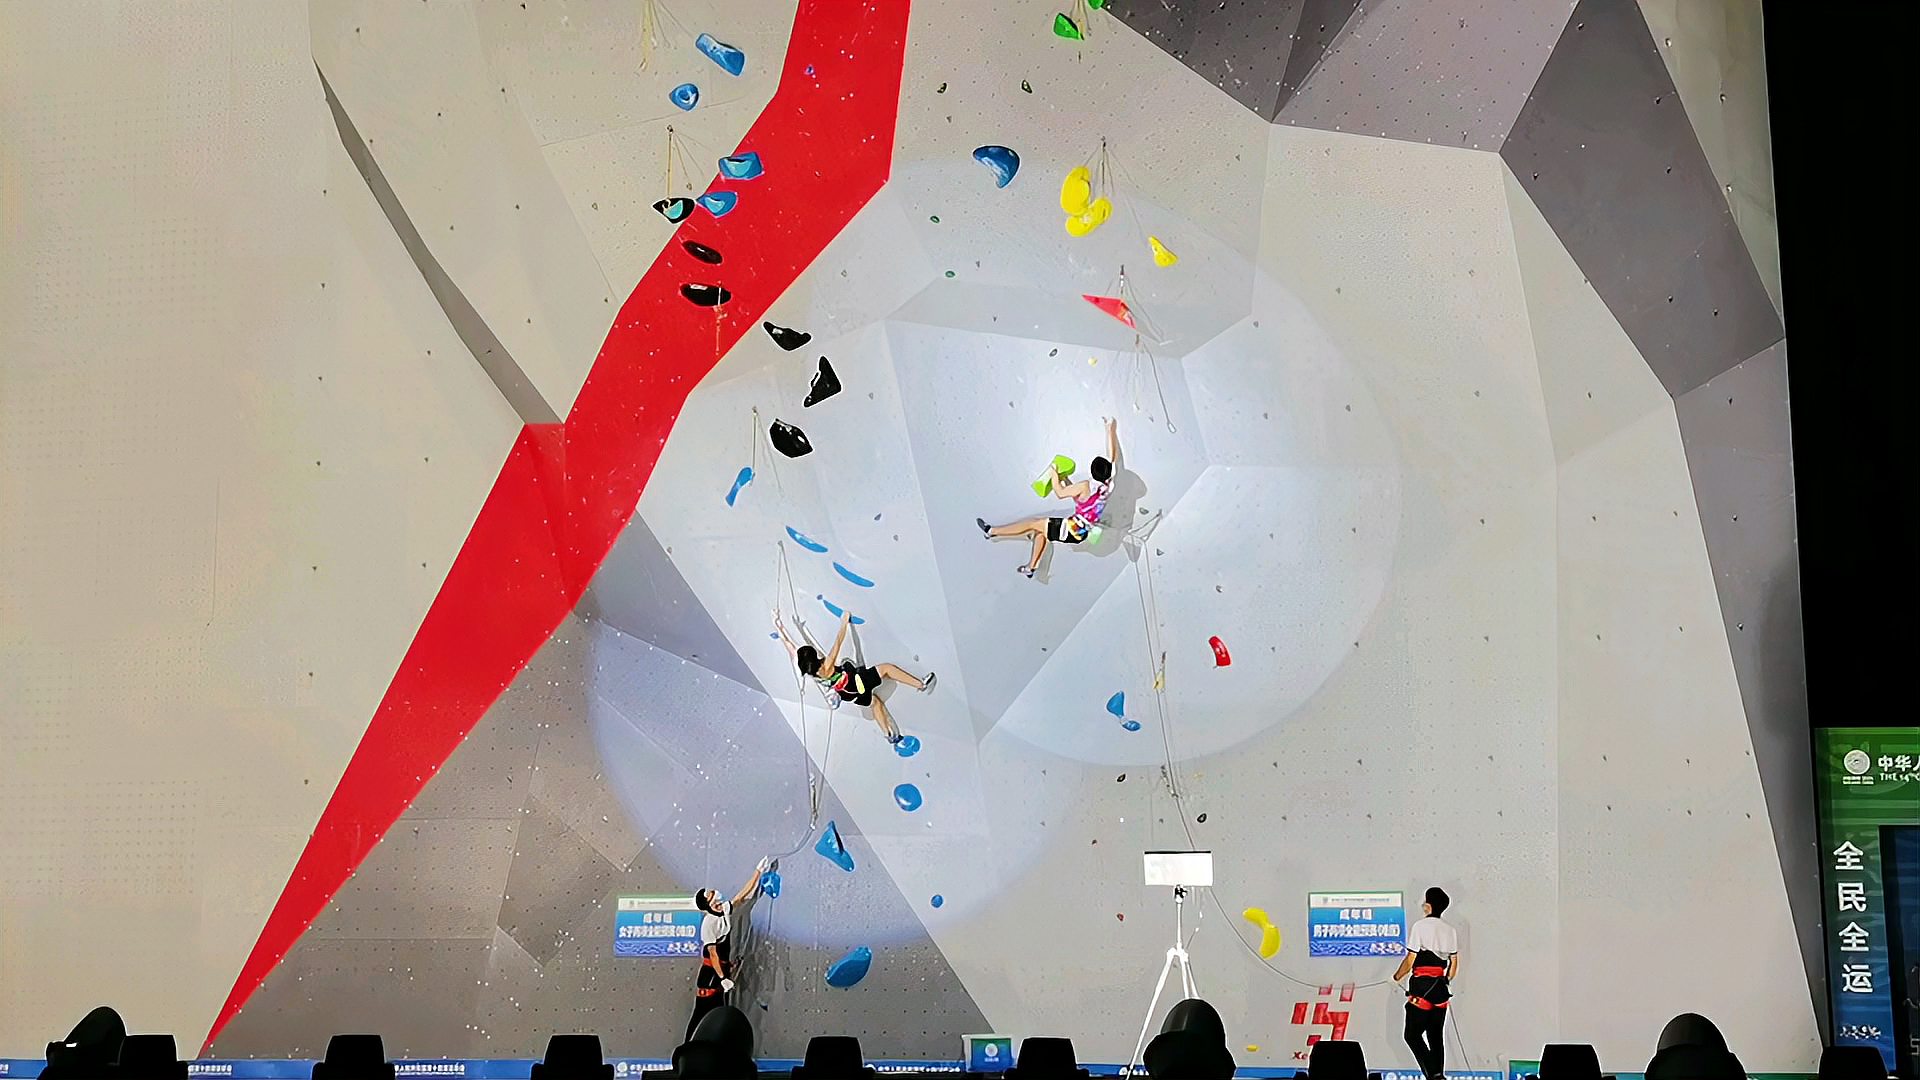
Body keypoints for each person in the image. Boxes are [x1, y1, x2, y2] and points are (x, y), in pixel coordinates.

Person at [979, 417, 1118, 578]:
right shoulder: (1107, 485)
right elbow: (1112, 458)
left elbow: (1060, 493)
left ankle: (992, 531)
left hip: (1070, 529)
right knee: (1042, 533)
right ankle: (1031, 568)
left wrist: (1054, 473)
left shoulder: (1085, 486)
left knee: (1033, 523)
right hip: (1082, 532)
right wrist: (1110, 429)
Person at [774, 608, 934, 744]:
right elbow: (838, 642)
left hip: (847, 695)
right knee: (887, 668)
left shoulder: (810, 673)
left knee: (875, 703)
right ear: (814, 658)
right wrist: (844, 622)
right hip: (856, 683)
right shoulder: (826, 665)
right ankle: (921, 684)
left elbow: (791, 647)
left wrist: (780, 627)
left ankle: (889, 735)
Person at [687, 857, 771, 1041]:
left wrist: (758, 871)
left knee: (719, 1014)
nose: (714, 893)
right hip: (711, 976)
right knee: (702, 1014)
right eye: (710, 894)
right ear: (708, 903)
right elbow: (713, 954)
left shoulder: (723, 909)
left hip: (722, 969)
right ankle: (687, 1048)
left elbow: (742, 896)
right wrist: (722, 978)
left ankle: (714, 1047)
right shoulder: (709, 924)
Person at [1395, 886, 1459, 1080]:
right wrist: (1445, 981)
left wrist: (1396, 977)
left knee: (1412, 1035)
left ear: (1429, 906)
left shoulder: (1420, 926)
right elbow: (1454, 964)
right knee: (1435, 1036)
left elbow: (1410, 960)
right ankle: (1438, 1074)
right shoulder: (1450, 930)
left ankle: (1433, 1073)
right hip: (1441, 989)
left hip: (1421, 988)